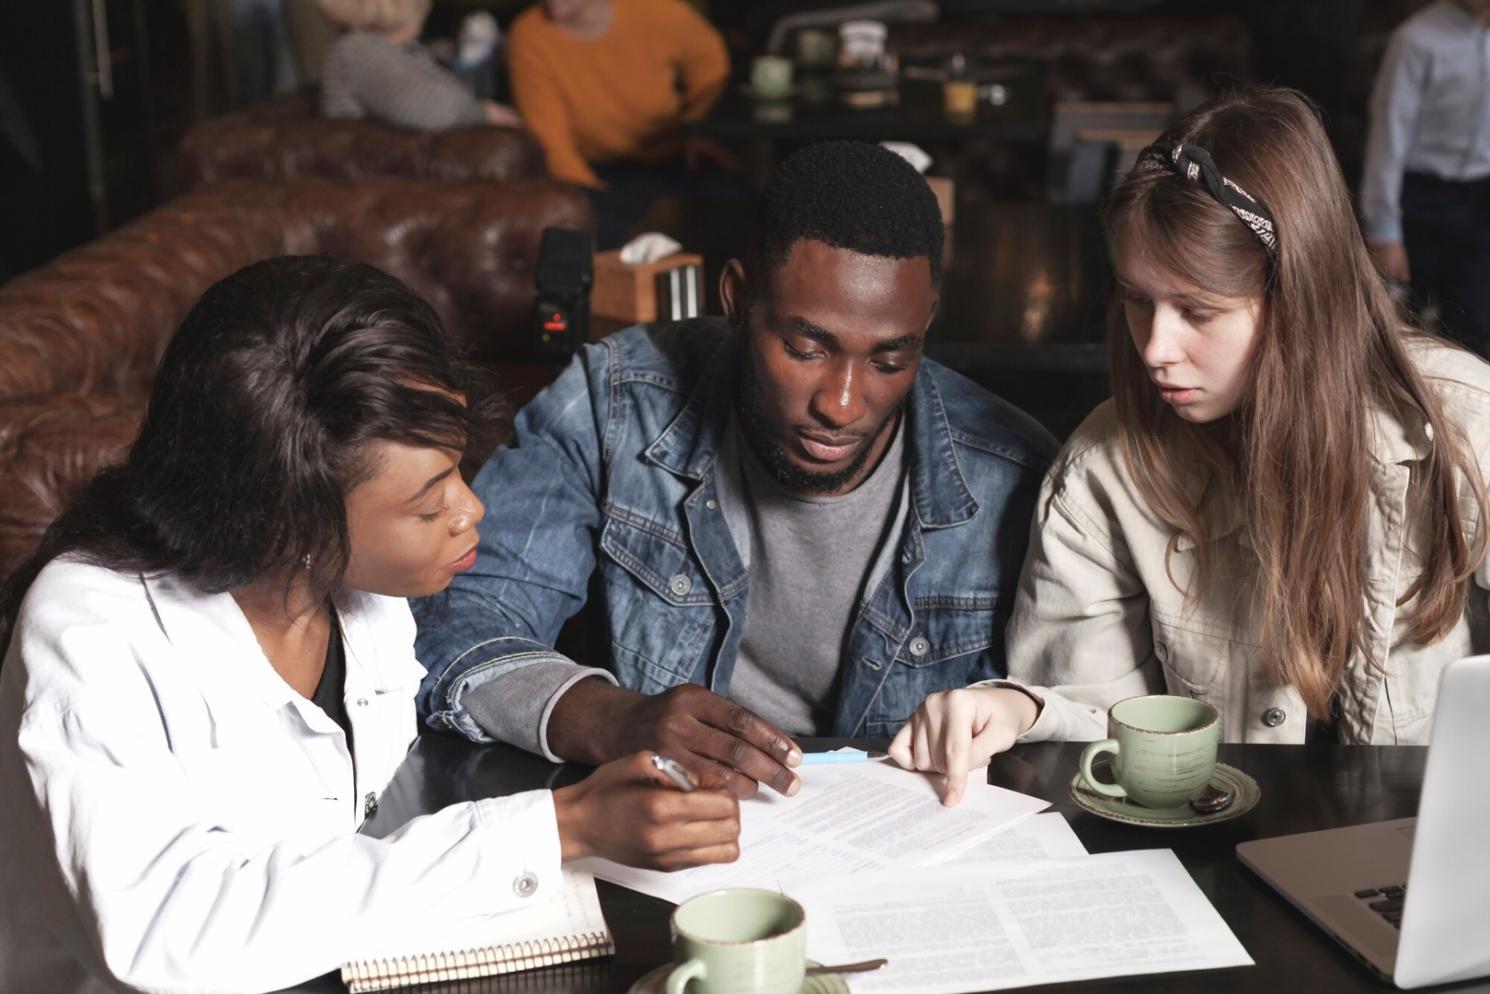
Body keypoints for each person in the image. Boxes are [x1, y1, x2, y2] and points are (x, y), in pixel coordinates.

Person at [0, 257, 739, 994]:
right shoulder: (88, 633)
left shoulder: (359, 591)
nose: (470, 511)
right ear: (294, 522)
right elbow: (168, 933)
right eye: (427, 505)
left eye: (455, 471)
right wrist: (559, 827)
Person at [891, 87, 1490, 804]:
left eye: (1197, 310)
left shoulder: (1460, 424)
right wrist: (1024, 710)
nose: (1154, 348)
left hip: (1418, 864)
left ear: (1300, 299)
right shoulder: (1100, 471)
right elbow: (1102, 731)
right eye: (1137, 300)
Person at [414, 141, 1058, 801]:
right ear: (736, 298)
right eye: (805, 349)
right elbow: (460, 618)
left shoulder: (1012, 473)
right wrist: (612, 717)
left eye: (890, 361)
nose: (840, 404)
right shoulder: (612, 405)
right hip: (671, 837)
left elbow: (1071, 707)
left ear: (925, 325)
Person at [506, 0, 737, 247]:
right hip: (598, 171)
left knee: (732, 206)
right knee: (607, 226)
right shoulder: (528, 36)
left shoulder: (655, 11)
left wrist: (696, 128)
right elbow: (552, 145)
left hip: (675, 155)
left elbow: (712, 69)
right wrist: (588, 198)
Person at [1361, 0, 1490, 357]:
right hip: (1421, 198)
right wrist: (1385, 229)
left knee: (1475, 322)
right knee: (1404, 323)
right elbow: (1388, 135)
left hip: (1482, 198)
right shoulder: (1416, 40)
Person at [317, 0, 521, 129]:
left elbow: (418, 61)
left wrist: (467, 48)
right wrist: (486, 113)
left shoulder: (378, 43)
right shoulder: (355, 50)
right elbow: (434, 106)